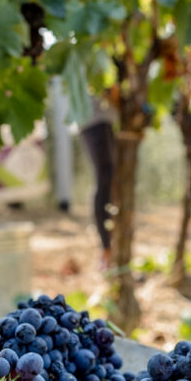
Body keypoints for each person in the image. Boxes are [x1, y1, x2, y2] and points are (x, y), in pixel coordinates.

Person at [79, 91, 116, 270]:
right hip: (92, 116)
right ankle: (106, 250)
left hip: (106, 118)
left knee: (111, 180)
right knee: (105, 177)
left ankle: (111, 248)